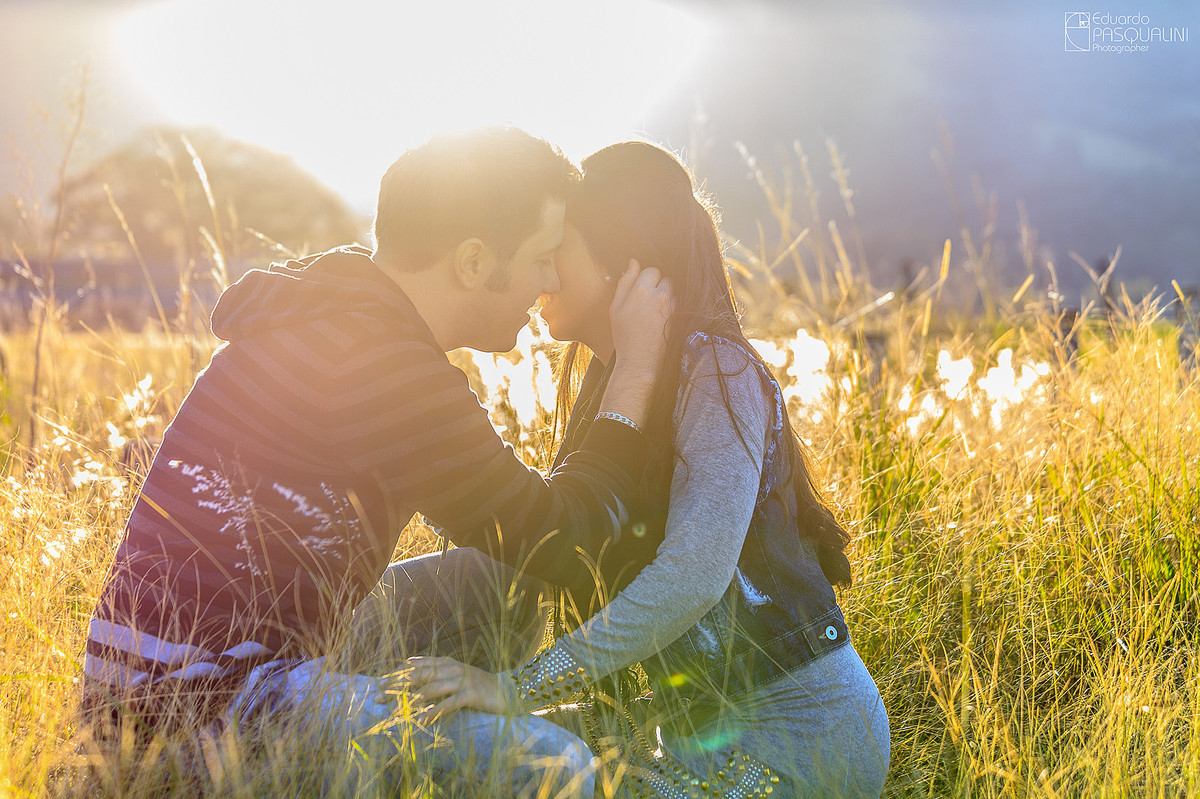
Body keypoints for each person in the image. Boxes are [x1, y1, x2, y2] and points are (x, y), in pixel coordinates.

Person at [79, 127, 672, 795]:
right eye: (540, 256)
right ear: (474, 262)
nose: (551, 279)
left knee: (497, 579)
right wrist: (636, 373)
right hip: (190, 722)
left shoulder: (340, 309)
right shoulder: (386, 369)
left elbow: (525, 540)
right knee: (552, 766)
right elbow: (567, 540)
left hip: (163, 682)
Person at [402, 141, 891, 797]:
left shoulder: (718, 371)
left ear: (617, 264)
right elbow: (557, 544)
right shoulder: (616, 389)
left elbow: (694, 573)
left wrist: (515, 688)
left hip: (795, 738)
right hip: (688, 732)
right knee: (462, 751)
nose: (541, 274)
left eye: (556, 252)